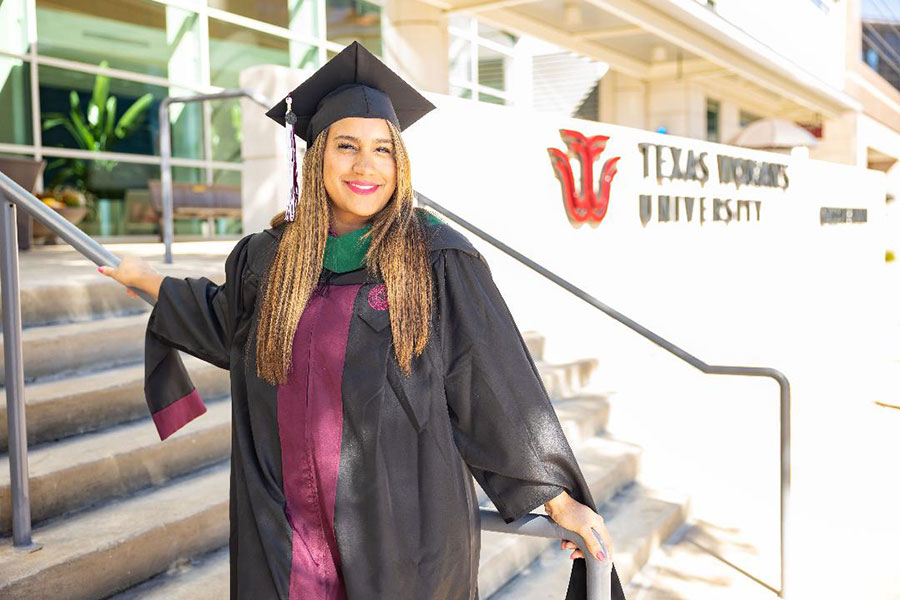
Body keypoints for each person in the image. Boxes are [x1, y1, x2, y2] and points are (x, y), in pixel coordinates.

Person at [98, 41, 626, 600]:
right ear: (317, 154)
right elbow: (229, 322)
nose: (366, 165)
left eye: (382, 149)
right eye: (347, 146)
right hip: (285, 530)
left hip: (399, 531)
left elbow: (491, 380)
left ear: (400, 162)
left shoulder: (436, 259)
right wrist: (147, 278)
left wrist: (555, 496)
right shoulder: (269, 258)